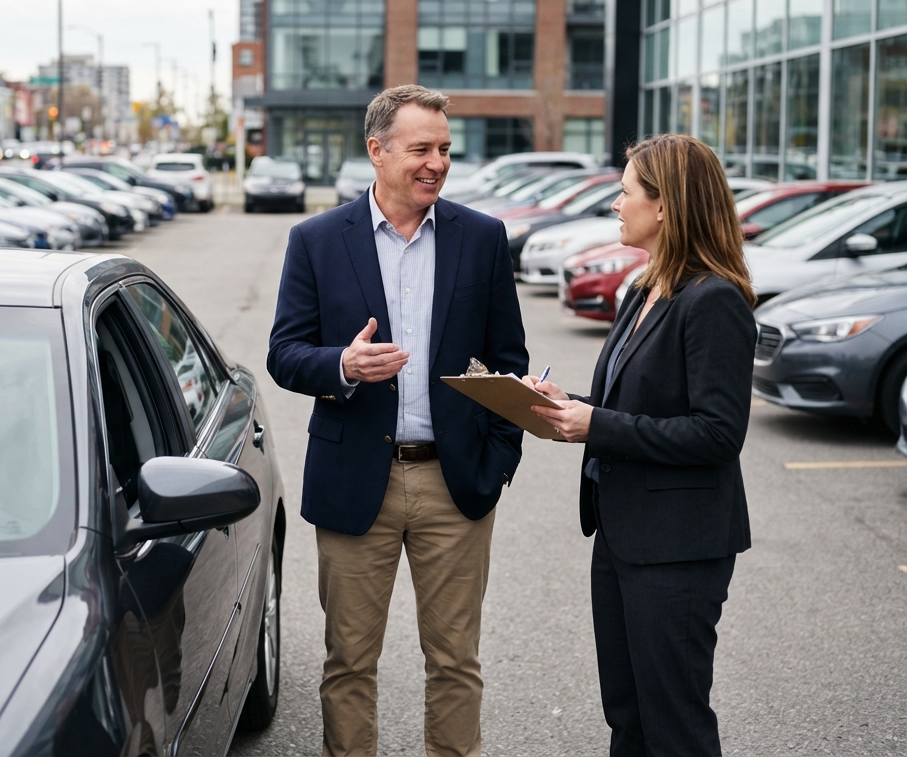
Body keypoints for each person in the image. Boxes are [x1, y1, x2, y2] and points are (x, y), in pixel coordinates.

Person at [267, 84, 529, 756]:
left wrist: (496, 463)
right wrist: (343, 366)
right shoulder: (318, 240)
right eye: (420, 149)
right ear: (377, 152)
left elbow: (509, 362)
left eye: (443, 149)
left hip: (455, 483)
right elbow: (285, 354)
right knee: (349, 661)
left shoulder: (481, 238)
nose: (435, 163)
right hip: (355, 479)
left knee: (455, 662)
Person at [527, 133, 757, 757]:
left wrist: (595, 426)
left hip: (678, 549)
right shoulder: (644, 288)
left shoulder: (713, 300)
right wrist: (556, 404)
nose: (614, 206)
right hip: (623, 533)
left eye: (624, 193)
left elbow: (717, 433)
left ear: (666, 206)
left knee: (674, 723)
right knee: (627, 715)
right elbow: (634, 404)